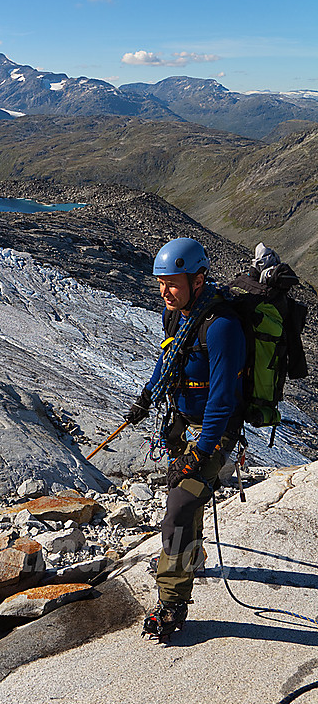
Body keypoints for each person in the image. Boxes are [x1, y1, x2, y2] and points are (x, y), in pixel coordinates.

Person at [124, 237, 246, 641]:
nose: (164, 291)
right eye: (161, 283)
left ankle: (172, 603)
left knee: (178, 506)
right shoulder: (178, 314)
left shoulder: (222, 326)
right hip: (183, 421)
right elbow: (169, 356)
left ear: (198, 279)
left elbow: (223, 397)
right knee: (185, 500)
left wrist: (202, 452)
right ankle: (189, 557)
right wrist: (148, 394)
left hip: (214, 429)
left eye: (172, 283)